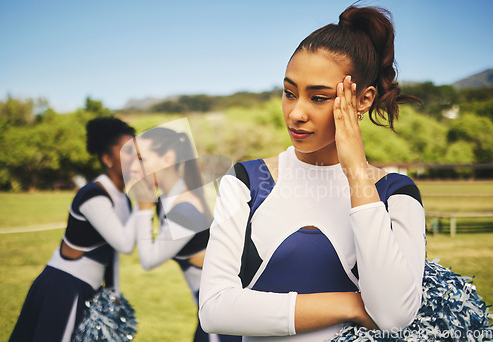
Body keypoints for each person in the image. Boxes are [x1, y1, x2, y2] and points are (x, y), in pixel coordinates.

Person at [198, 5, 426, 342]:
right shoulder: (246, 181)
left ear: (362, 100)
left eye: (318, 97)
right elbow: (214, 309)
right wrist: (350, 305)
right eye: (289, 93)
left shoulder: (396, 193)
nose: (296, 113)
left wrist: (357, 175)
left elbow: (394, 315)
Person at [10, 117, 137, 342]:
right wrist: (145, 203)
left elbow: (113, 253)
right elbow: (124, 244)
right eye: (127, 151)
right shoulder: (93, 195)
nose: (136, 157)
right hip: (64, 287)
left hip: (89, 290)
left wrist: (113, 294)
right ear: (107, 158)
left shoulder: (124, 201)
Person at [129, 126, 241, 342]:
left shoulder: (185, 210)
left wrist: (143, 208)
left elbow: (148, 260)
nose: (133, 167)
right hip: (210, 309)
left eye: (141, 159)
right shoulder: (170, 201)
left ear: (167, 158)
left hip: (221, 313)